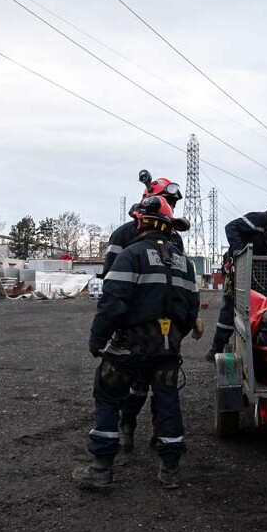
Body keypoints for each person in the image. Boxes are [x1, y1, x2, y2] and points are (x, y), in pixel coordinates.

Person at [74, 196, 200, 492]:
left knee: (107, 395)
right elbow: (192, 308)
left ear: (141, 222)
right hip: (168, 348)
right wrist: (174, 336)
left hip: (129, 347)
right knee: (167, 400)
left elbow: (113, 301)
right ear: (169, 227)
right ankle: (170, 469)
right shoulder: (186, 264)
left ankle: (100, 469)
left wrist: (98, 338)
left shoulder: (131, 255)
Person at [101, 171, 188, 454]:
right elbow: (111, 283)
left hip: (165, 328)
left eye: (173, 205)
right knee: (134, 382)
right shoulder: (124, 234)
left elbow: (182, 283)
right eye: (167, 202)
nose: (171, 209)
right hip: (131, 326)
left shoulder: (175, 239)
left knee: (162, 385)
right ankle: (127, 425)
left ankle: (159, 435)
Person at [206, 196, 267, 361]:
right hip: (239, 272)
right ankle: (216, 348)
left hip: (259, 274)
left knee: (266, 306)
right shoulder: (258, 219)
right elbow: (231, 227)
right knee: (230, 308)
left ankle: (259, 350)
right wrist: (238, 251)